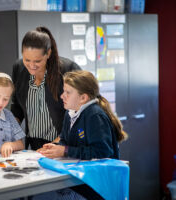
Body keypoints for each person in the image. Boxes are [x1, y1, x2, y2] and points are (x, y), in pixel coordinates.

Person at [38, 70, 128, 200]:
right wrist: (55, 147)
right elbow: (65, 140)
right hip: (80, 179)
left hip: (97, 185)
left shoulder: (94, 115)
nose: (62, 96)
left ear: (83, 98)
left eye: (68, 92)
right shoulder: (71, 113)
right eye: (64, 91)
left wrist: (65, 151)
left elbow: (102, 152)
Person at [11, 26, 81, 150]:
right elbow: (17, 105)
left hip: (62, 144)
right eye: (27, 60)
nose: (31, 65)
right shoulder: (19, 68)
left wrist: (56, 144)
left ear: (48, 53)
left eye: (37, 61)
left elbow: (79, 113)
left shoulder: (68, 70)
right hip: (33, 144)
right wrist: (9, 131)